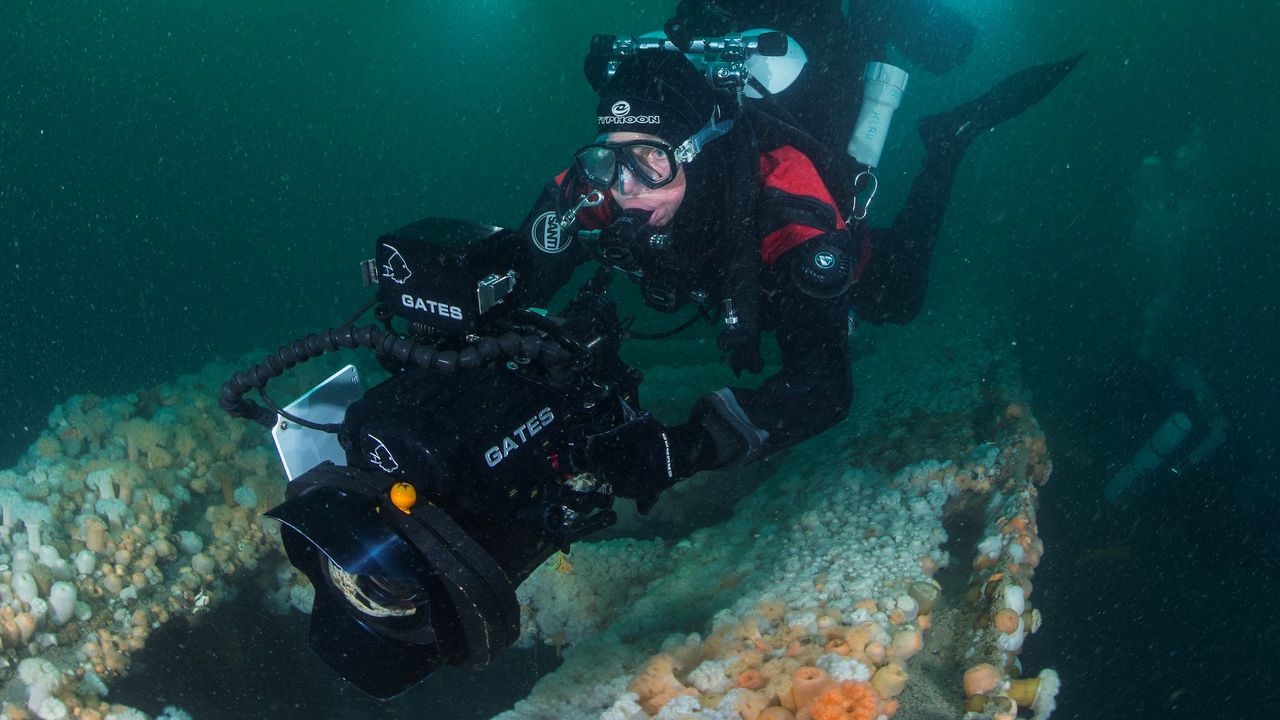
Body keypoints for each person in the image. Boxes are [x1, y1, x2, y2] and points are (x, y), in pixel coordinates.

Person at [517, 49, 1076, 510]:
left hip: (814, 270)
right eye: (607, 160)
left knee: (901, 298)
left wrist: (682, 449)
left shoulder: (791, 207)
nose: (624, 189)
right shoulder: (605, 182)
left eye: (651, 160)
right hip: (727, 278)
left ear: (702, 152)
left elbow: (825, 388)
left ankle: (947, 143)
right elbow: (519, 262)